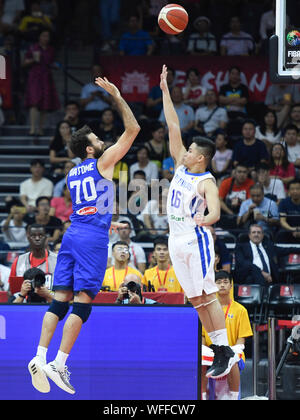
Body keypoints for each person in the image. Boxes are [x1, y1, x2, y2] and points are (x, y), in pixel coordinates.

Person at [27, 75, 140, 395]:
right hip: (90, 240)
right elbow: (133, 131)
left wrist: (107, 223)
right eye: (97, 138)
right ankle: (59, 363)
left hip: (73, 235)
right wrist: (118, 96)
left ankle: (39, 356)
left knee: (60, 300)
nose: (103, 140)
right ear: (90, 148)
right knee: (84, 303)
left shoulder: (73, 172)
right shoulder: (102, 161)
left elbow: (88, 208)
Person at [160, 64, 240, 380]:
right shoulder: (181, 167)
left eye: (191, 150)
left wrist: (204, 217)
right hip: (175, 239)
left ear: (200, 158)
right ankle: (220, 349)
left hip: (196, 238)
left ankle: (225, 349)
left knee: (208, 295)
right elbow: (172, 125)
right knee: (195, 299)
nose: (185, 151)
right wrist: (166, 91)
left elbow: (216, 213)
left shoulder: (206, 179)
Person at [202, 270, 253, 400]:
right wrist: (202, 350)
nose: (222, 285)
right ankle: (201, 396)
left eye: (226, 282)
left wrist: (230, 351)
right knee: (200, 361)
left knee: (233, 359)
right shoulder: (206, 309)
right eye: (218, 282)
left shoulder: (241, 310)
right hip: (211, 352)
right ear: (213, 286)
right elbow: (202, 337)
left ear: (231, 286)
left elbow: (241, 340)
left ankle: (233, 397)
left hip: (233, 350)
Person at [234, 223, 300, 285]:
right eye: (254, 232)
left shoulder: (268, 246)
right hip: (251, 280)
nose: (256, 235)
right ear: (249, 235)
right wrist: (261, 272)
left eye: (259, 232)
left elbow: (287, 250)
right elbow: (243, 263)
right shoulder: (241, 247)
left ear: (262, 235)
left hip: (270, 280)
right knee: (251, 277)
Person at [23, 29, 60, 136]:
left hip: (46, 77)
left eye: (47, 36)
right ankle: (32, 128)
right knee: (34, 102)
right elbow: (24, 63)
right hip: (35, 77)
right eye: (43, 36)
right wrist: (33, 60)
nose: (45, 38)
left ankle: (40, 129)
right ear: (39, 37)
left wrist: (55, 65)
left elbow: (51, 62)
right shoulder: (32, 48)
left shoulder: (51, 49)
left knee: (45, 103)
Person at [8, 224, 57, 293]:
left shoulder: (57, 260)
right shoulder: (19, 260)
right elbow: (10, 291)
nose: (37, 238)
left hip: (49, 302)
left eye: (41, 235)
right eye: (33, 236)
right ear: (28, 238)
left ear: (46, 238)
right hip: (25, 302)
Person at [277, 179, 300, 243]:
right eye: (292, 189)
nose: (295, 191)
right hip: (289, 229)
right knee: (280, 234)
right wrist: (293, 229)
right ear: (288, 191)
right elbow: (282, 221)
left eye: (298, 189)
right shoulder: (283, 203)